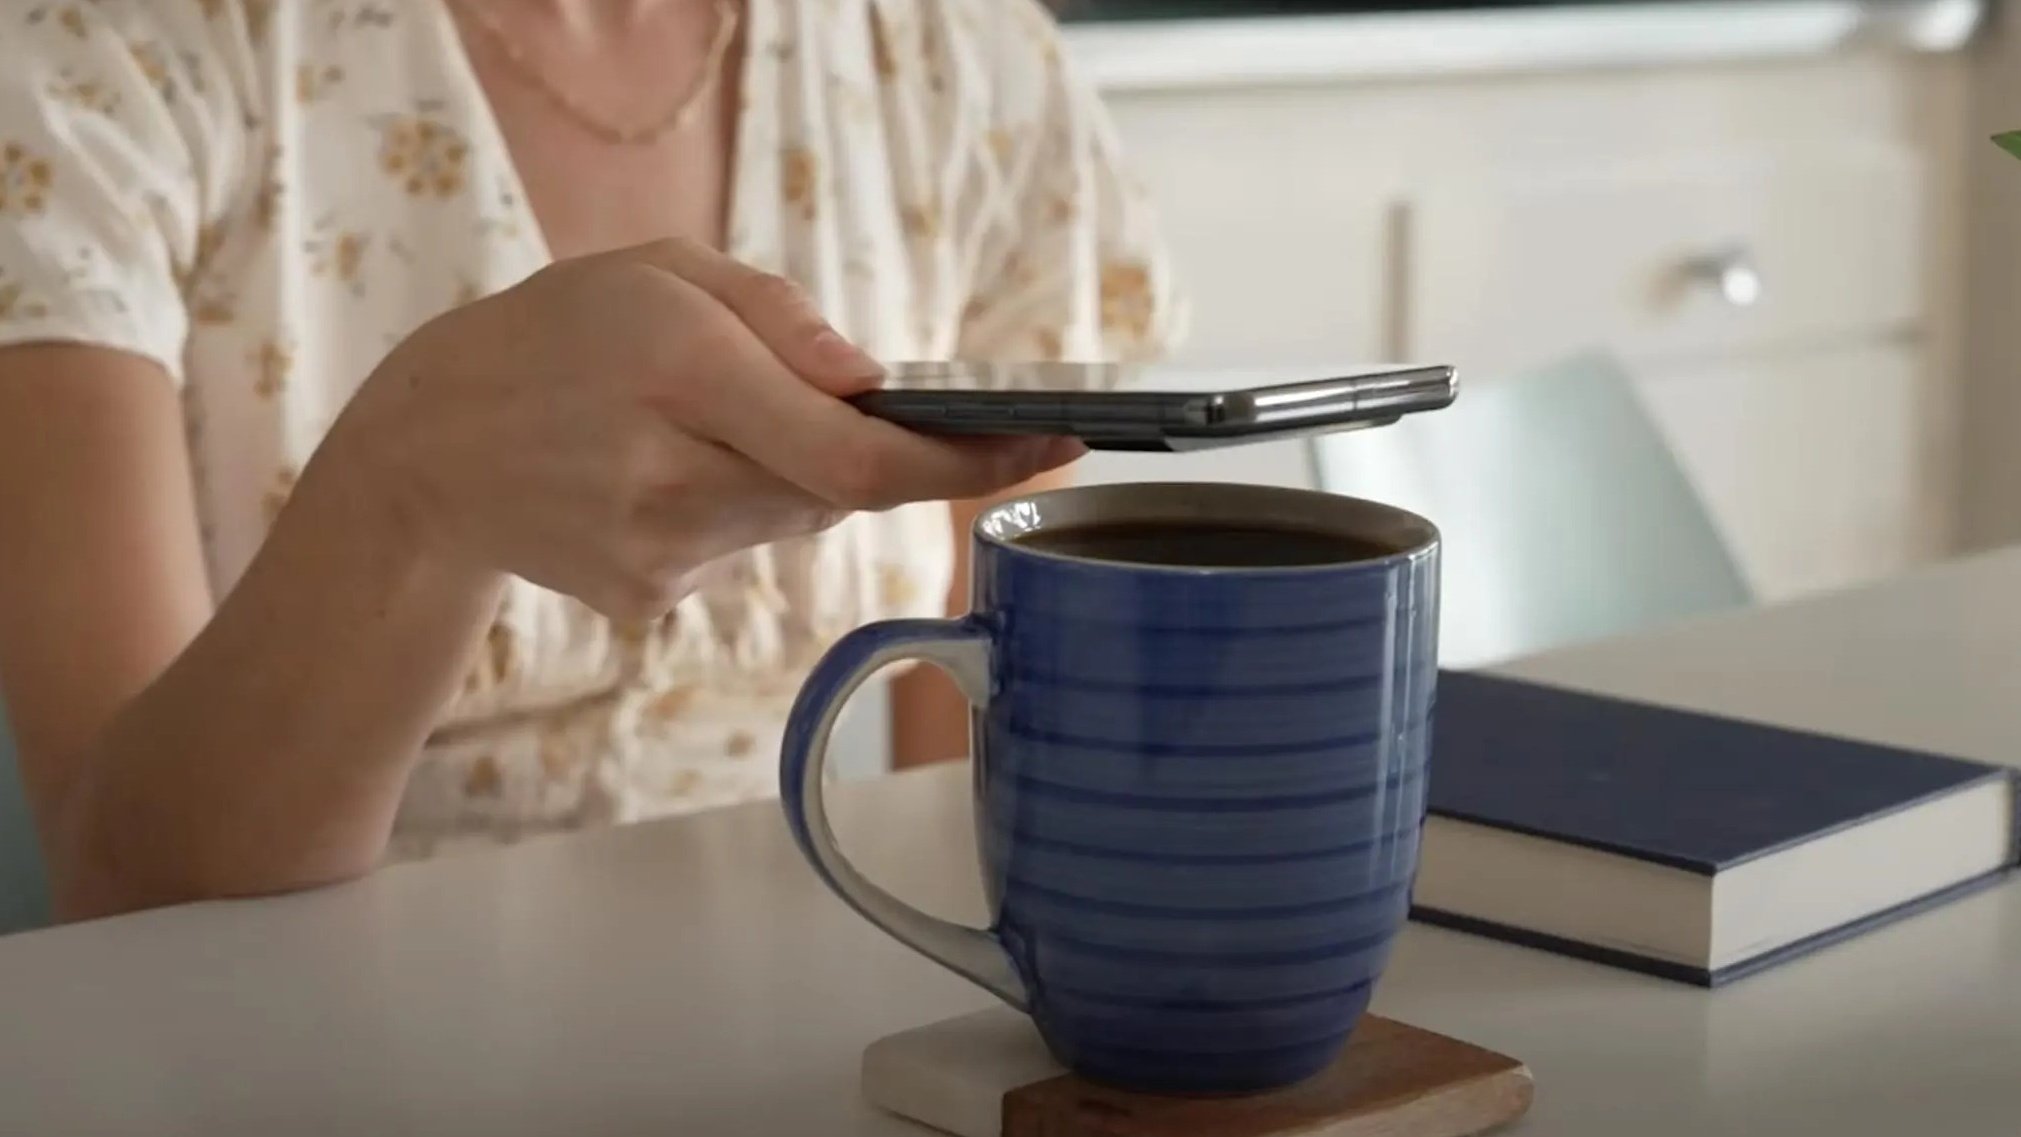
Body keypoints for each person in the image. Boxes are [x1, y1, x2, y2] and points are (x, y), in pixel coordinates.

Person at [0, 0, 1179, 920]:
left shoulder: (954, 62)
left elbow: (979, 783)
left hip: (816, 1043)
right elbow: (127, 895)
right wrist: (406, 493)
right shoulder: (103, 65)